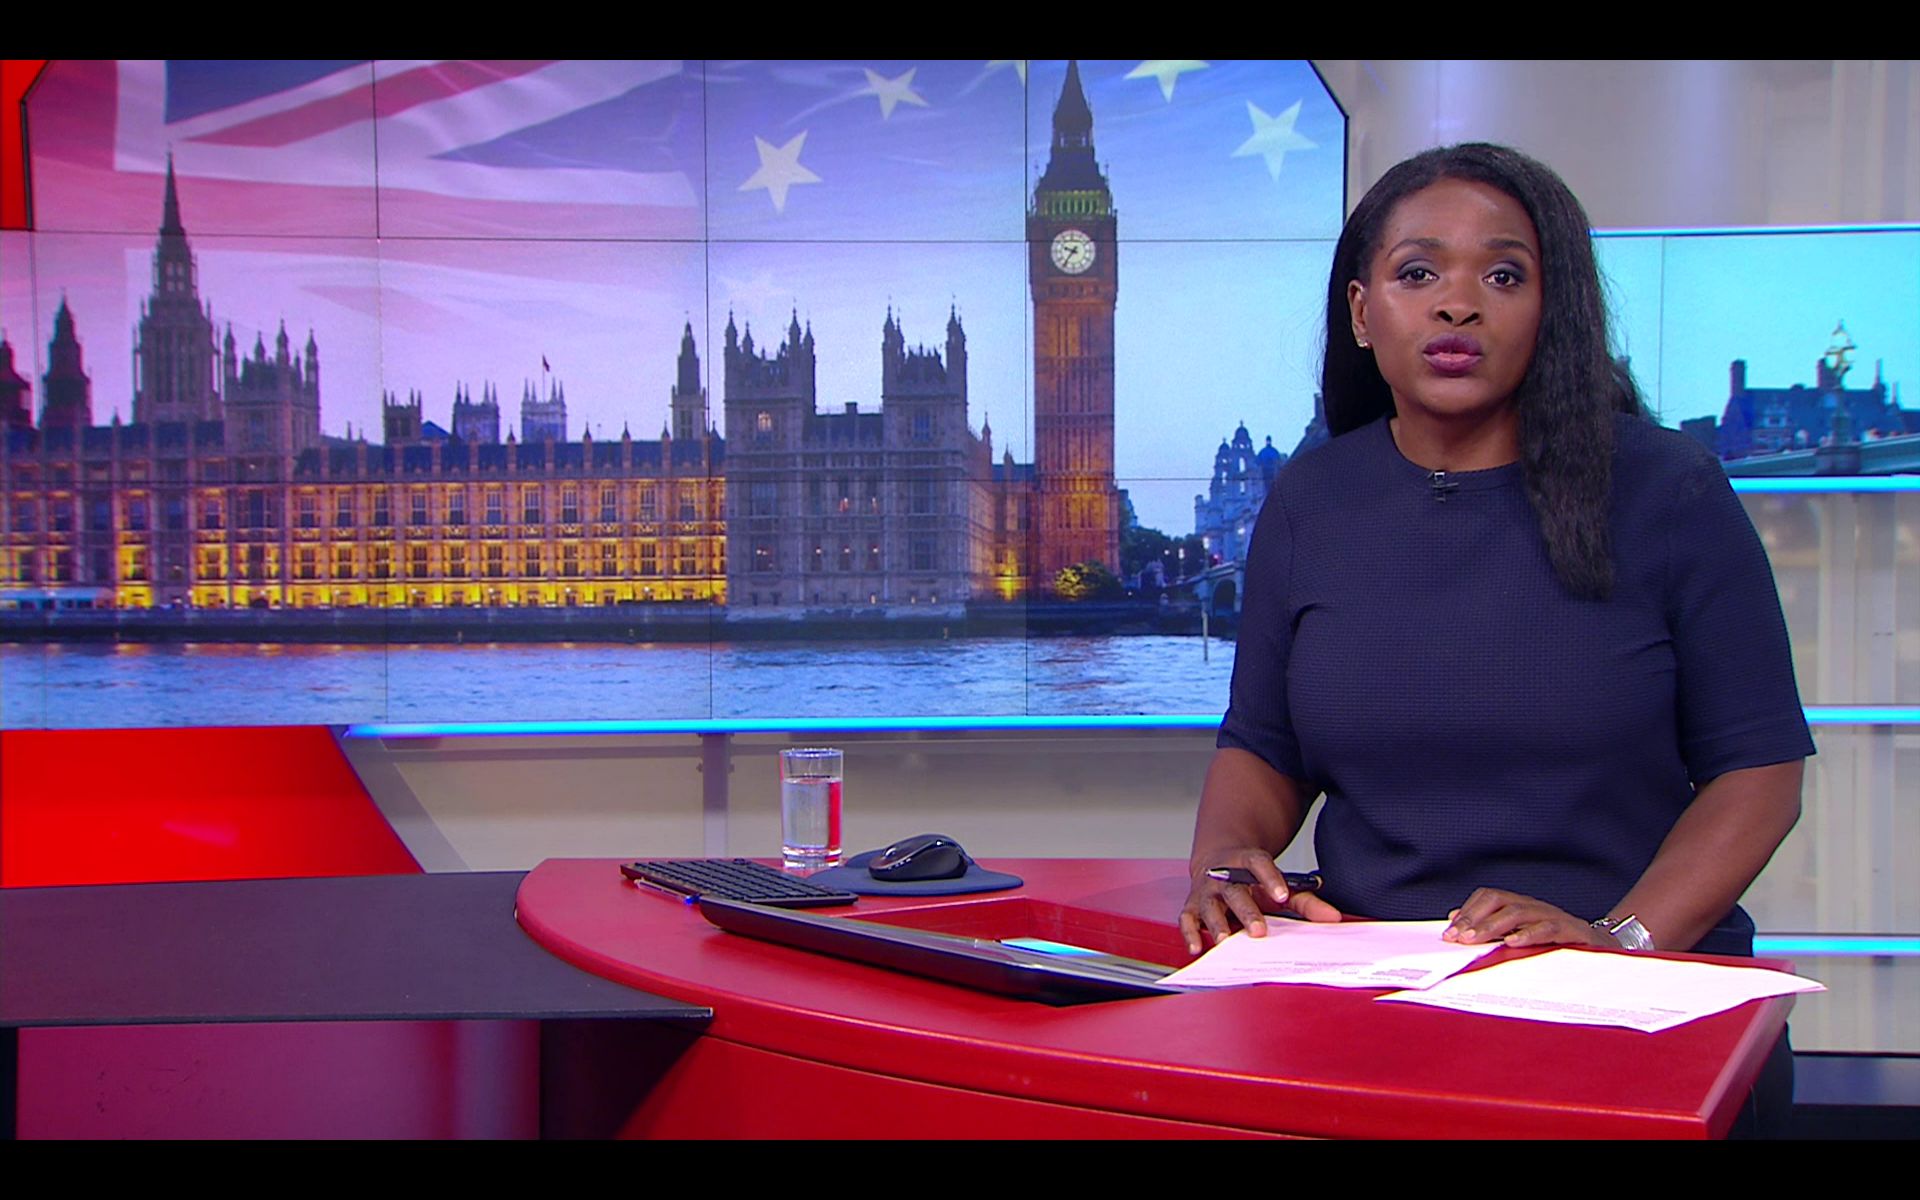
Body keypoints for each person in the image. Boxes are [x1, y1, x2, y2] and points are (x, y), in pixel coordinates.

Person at [1177, 143, 1813, 1136]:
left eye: (1504, 276)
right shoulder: (1310, 501)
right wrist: (1225, 865)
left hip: (1632, 1007)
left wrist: (1619, 939)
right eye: (1418, 273)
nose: (1457, 306)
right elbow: (1264, 743)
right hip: (1378, 1005)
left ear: (1553, 311)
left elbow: (1759, 772)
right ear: (1362, 313)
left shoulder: (1670, 489)